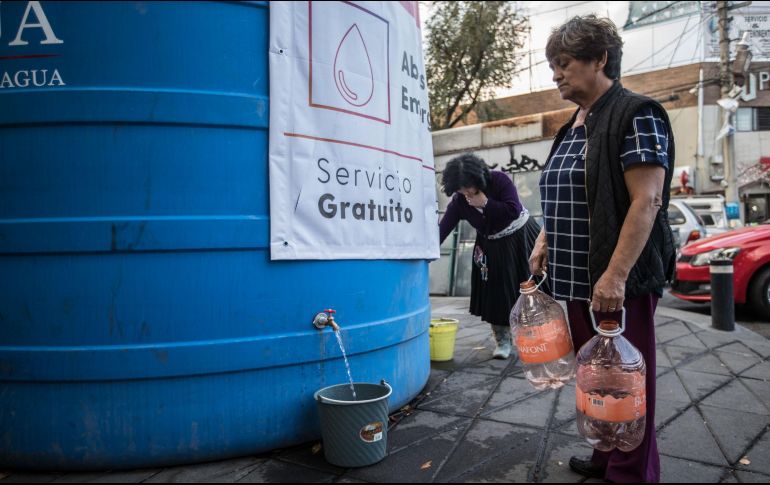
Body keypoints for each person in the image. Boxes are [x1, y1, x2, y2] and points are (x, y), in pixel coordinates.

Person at [529, 15, 676, 483]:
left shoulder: (637, 113)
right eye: (553, 65)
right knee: (595, 374)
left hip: (615, 283)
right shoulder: (572, 124)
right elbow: (564, 190)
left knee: (628, 380)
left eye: (564, 63)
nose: (555, 75)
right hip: (573, 281)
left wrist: (614, 276)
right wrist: (545, 237)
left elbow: (646, 200)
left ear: (600, 59)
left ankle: (631, 473)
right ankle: (605, 454)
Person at [439, 153, 542, 359]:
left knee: (529, 287)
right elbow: (443, 228)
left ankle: (536, 335)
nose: (466, 191)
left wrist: (485, 202)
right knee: (495, 293)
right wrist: (427, 251)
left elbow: (512, 210)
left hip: (520, 237)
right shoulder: (460, 201)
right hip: (491, 245)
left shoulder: (499, 180)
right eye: (460, 188)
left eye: (468, 185)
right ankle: (502, 340)